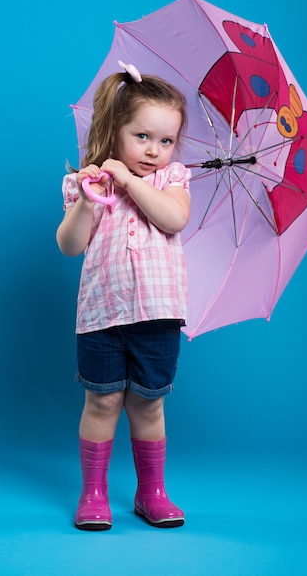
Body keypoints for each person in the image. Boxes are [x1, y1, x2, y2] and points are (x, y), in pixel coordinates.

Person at [56, 60, 191, 531]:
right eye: (142, 137)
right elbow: (70, 246)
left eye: (167, 140)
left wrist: (131, 181)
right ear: (114, 131)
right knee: (102, 402)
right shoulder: (86, 181)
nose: (155, 150)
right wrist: (88, 202)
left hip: (157, 317)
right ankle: (92, 492)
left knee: (148, 404)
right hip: (101, 316)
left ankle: (151, 492)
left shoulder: (172, 181)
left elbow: (173, 219)